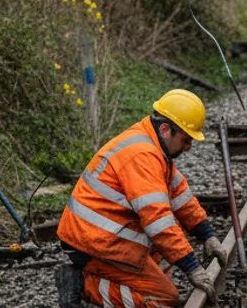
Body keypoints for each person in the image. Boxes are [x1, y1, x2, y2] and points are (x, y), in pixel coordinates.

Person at [57, 89, 226, 307]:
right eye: (185, 140)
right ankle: (81, 283)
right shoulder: (142, 155)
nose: (189, 147)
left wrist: (207, 235)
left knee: (176, 234)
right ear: (165, 129)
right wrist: (192, 267)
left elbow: (181, 196)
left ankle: (135, 279)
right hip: (91, 243)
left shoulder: (155, 148)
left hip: (104, 234)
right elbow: (158, 220)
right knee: (165, 299)